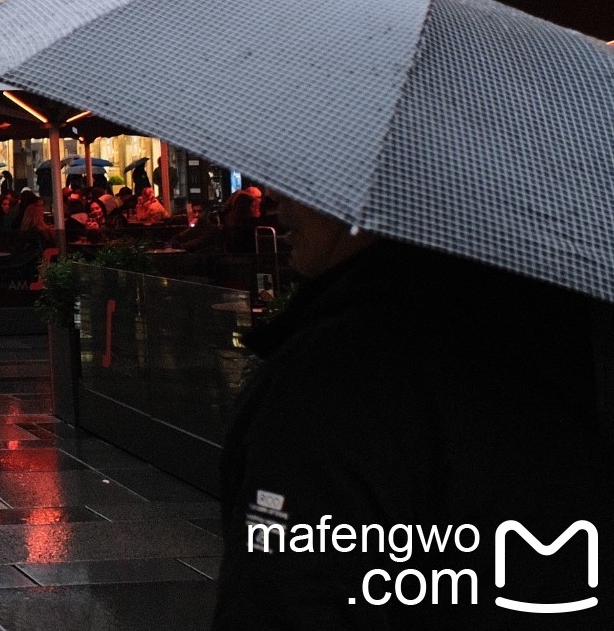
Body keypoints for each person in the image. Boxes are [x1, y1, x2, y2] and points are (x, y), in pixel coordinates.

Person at [214, 200, 614, 625]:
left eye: (304, 172)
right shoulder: (566, 328)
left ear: (384, 190)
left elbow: (286, 595)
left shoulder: (342, 373)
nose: (277, 195)